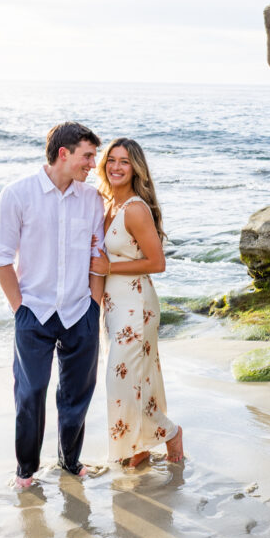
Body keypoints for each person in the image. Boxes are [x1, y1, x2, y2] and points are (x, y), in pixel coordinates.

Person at [0, 122, 106, 489]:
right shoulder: (18, 194)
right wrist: (18, 308)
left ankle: (70, 461)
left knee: (76, 395)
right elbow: (1, 258)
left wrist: (94, 304)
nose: (92, 164)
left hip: (79, 311)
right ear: (63, 153)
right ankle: (26, 471)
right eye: (87, 156)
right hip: (34, 313)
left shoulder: (91, 199)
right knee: (31, 392)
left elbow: (96, 253)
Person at [91, 138, 183, 467]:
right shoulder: (106, 204)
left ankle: (169, 433)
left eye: (124, 162)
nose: (116, 167)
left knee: (121, 380)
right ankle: (138, 448)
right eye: (111, 160)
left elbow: (158, 262)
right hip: (115, 307)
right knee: (132, 379)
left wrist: (110, 267)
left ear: (135, 169)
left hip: (136, 304)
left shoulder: (135, 209)